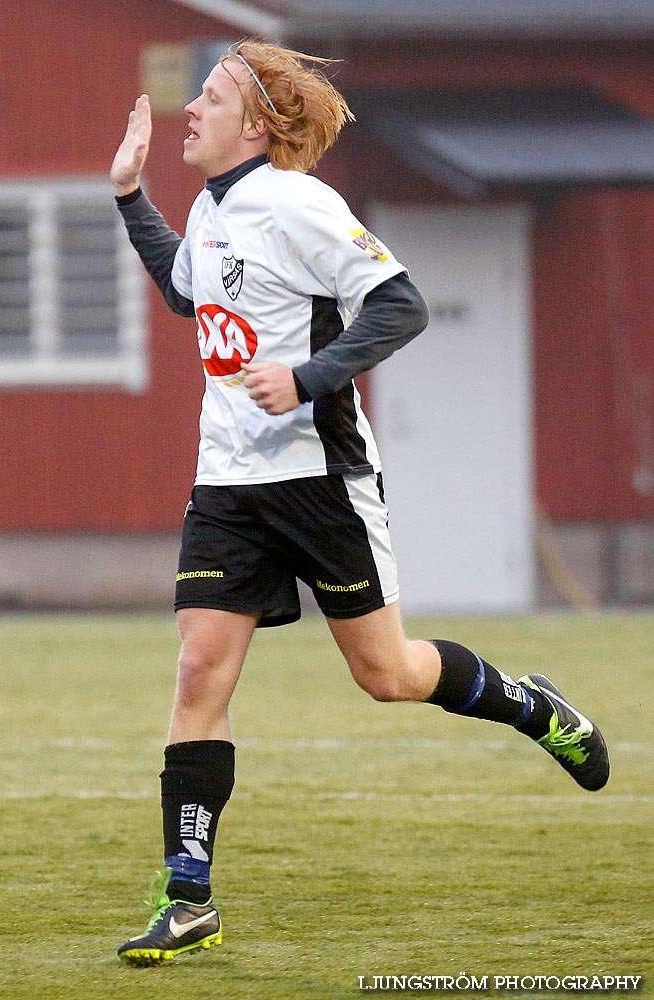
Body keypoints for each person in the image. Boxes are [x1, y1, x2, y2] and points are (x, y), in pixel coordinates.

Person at [108, 41, 609, 967]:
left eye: (208, 97)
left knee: (385, 674)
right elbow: (189, 296)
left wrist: (304, 377)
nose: (190, 109)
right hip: (226, 483)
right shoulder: (213, 205)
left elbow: (399, 305)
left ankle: (531, 706)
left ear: (255, 125)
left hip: (320, 481)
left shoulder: (299, 204)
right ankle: (188, 899)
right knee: (196, 672)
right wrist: (131, 197)